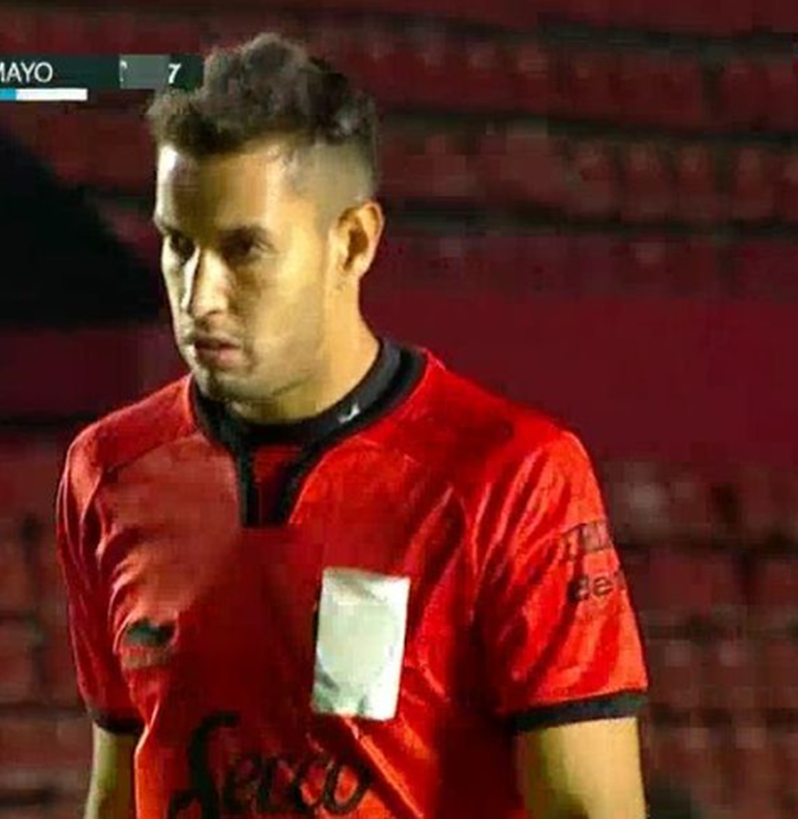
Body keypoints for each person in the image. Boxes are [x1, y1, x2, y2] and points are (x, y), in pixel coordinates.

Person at [55, 33, 649, 819]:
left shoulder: (515, 475)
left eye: (245, 250)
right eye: (178, 245)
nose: (199, 296)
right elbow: (120, 790)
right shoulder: (110, 469)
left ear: (355, 241)